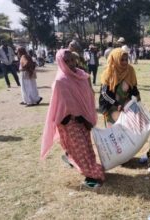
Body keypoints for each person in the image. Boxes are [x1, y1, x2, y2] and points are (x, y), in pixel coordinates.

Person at [41, 49, 105, 188]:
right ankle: (91, 176)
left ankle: (87, 167)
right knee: (80, 149)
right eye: (67, 61)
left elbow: (87, 96)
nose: (71, 63)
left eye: (72, 59)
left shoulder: (81, 75)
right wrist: (80, 117)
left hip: (84, 120)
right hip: (69, 122)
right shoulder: (60, 81)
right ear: (60, 63)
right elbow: (67, 106)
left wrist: (86, 117)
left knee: (87, 148)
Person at [99, 48, 140, 127]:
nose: (125, 62)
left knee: (128, 130)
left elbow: (134, 88)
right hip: (111, 106)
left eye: (126, 59)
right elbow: (104, 94)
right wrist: (116, 104)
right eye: (121, 60)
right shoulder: (108, 72)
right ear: (115, 59)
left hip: (127, 106)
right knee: (114, 132)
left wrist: (138, 100)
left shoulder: (130, 70)